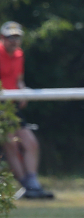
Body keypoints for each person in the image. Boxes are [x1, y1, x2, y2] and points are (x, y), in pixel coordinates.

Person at [0, 21, 53, 199]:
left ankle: (32, 183)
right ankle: (24, 184)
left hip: (11, 106)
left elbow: (18, 80)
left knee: (30, 143)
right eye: (10, 38)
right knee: (10, 143)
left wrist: (23, 92)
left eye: (17, 38)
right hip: (1, 105)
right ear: (2, 38)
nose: (14, 42)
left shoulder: (19, 55)